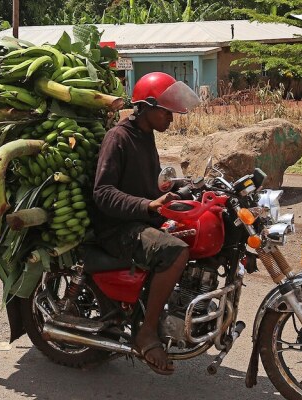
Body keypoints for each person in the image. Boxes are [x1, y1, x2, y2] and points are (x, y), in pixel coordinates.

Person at [92, 72, 200, 375]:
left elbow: (147, 184)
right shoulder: (119, 137)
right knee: (176, 252)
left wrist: (179, 189)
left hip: (139, 219)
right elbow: (102, 192)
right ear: (147, 106)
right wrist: (146, 205)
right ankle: (147, 332)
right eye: (166, 111)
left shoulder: (144, 134)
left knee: (193, 234)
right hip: (117, 228)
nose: (171, 118)